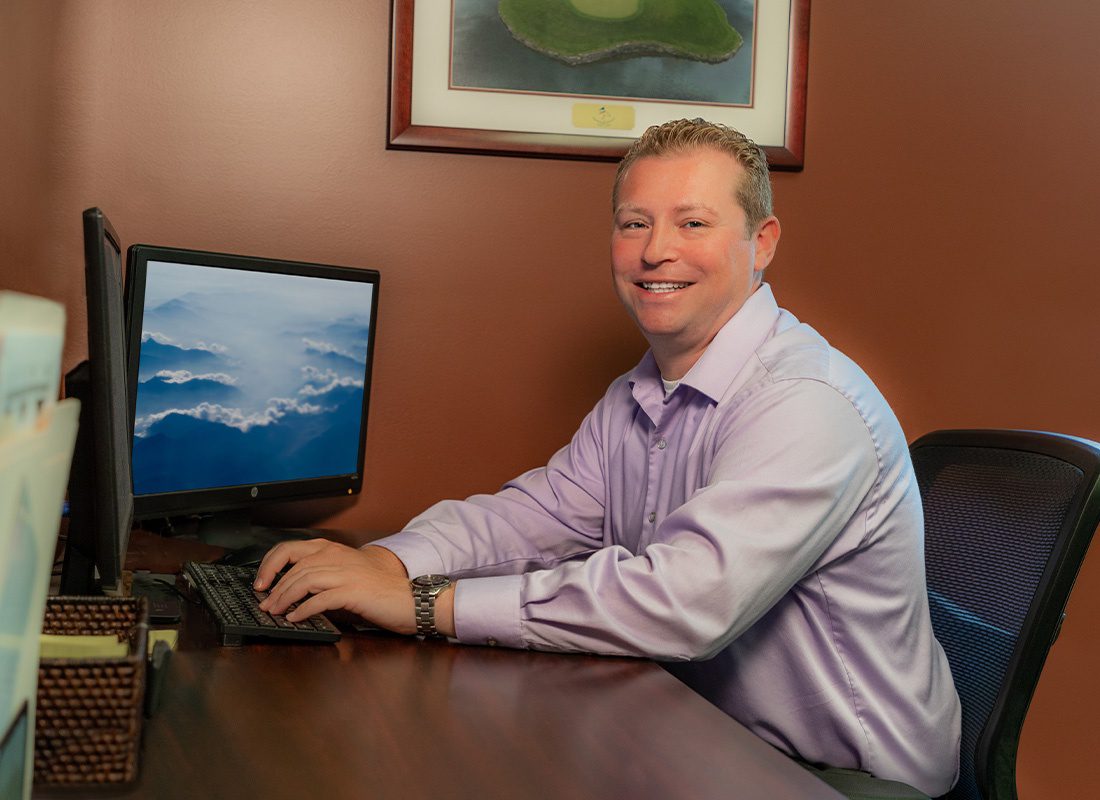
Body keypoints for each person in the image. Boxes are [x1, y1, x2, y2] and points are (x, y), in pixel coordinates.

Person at [256, 119, 961, 798]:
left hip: (843, 779)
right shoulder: (641, 393)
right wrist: (392, 563)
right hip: (705, 734)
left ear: (762, 241)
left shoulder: (804, 402)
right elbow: (535, 516)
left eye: (693, 223)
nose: (656, 251)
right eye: (634, 223)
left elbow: (684, 603)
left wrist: (422, 604)